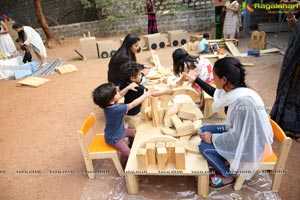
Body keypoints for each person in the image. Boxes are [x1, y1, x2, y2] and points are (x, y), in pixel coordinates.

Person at [185, 57, 273, 189]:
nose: (213, 80)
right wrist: (196, 80)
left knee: (204, 147)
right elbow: (215, 93)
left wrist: (213, 138)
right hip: (243, 135)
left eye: (214, 76)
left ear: (224, 80)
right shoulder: (237, 90)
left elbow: (237, 137)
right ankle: (224, 158)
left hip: (250, 147)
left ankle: (227, 176)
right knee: (203, 130)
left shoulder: (243, 103)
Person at [92, 82, 152, 169]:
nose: (118, 92)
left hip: (120, 131)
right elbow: (132, 104)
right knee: (126, 152)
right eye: (115, 92)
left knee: (132, 133)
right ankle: (124, 166)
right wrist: (145, 95)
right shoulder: (115, 109)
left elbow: (119, 95)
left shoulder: (108, 105)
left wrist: (128, 87)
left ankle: (131, 145)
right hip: (114, 138)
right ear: (111, 101)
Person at [271, 0, 300, 140]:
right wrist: (288, 12)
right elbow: (296, 27)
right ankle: (283, 122)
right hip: (293, 58)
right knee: (288, 87)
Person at [119, 61, 174, 130]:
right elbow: (154, 94)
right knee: (135, 129)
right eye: (139, 74)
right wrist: (166, 91)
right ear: (132, 78)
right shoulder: (139, 88)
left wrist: (143, 73)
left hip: (127, 111)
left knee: (128, 125)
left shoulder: (123, 84)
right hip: (134, 115)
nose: (141, 75)